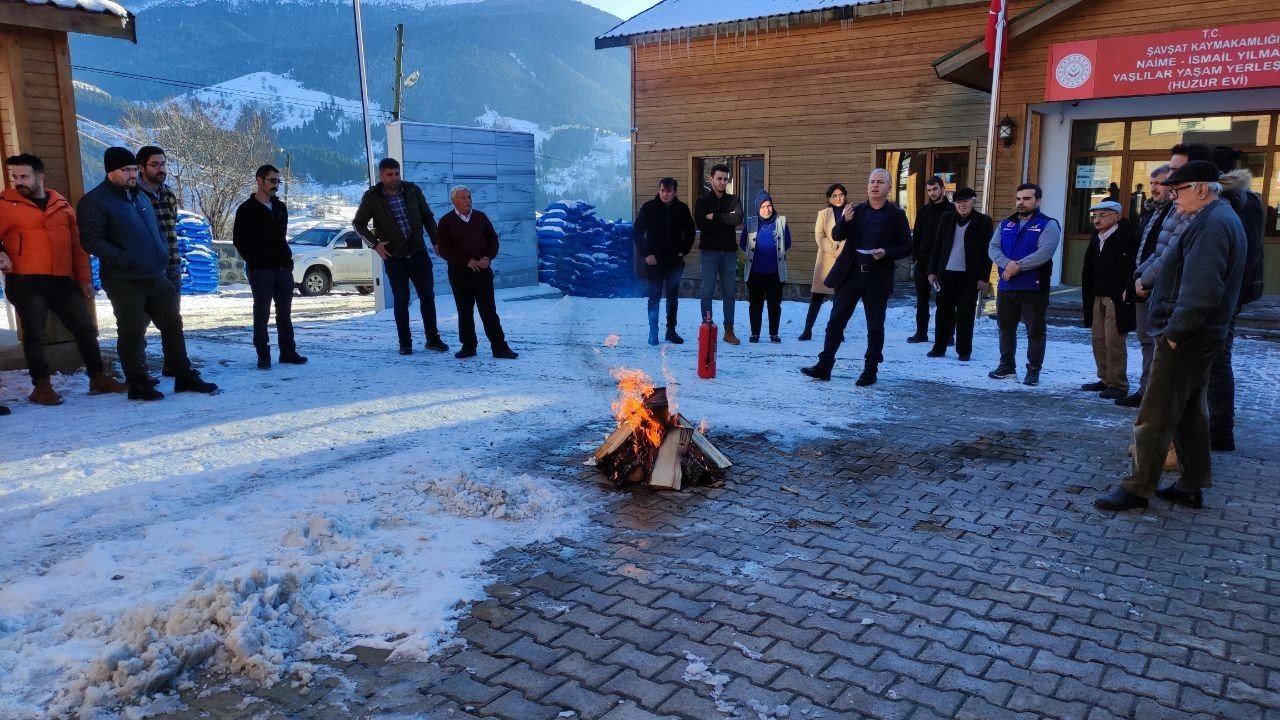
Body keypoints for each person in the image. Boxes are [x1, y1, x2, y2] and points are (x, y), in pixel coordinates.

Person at [1095, 161, 1246, 512]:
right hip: (1198, 335)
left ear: (1202, 189)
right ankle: (1191, 484)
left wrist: (1176, 333)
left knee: (1155, 414)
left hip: (1188, 335)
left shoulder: (1212, 224)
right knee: (1192, 413)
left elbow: (1203, 289)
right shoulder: (1214, 218)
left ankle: (1137, 488)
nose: (1173, 198)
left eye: (1178, 191)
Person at [77, 146, 217, 400]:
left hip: (154, 273)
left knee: (172, 323)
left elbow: (157, 230)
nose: (132, 174)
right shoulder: (94, 201)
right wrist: (126, 260)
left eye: (133, 169)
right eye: (126, 170)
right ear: (111, 171)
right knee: (131, 331)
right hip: (123, 278)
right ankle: (138, 384)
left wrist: (162, 251)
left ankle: (183, 376)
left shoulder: (139, 197)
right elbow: (91, 241)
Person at [0, 153, 127, 405]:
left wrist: (83, 279)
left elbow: (77, 246)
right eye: (14, 177)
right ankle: (42, 387)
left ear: (40, 176)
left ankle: (98, 378)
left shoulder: (61, 204)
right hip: (25, 279)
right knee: (35, 334)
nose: (18, 182)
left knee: (85, 327)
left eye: (24, 176)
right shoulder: (5, 204)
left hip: (60, 279)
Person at [801, 168, 911, 387]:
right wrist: (844, 221)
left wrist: (886, 253)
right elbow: (836, 235)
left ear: (888, 188)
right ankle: (824, 366)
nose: (875, 185)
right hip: (850, 274)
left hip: (877, 276)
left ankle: (870, 370)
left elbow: (907, 246)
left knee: (875, 326)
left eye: (880, 182)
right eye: (872, 181)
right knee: (835, 322)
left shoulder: (896, 215)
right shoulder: (856, 210)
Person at [352, 158, 448, 356]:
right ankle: (405, 343)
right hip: (394, 257)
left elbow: (427, 216)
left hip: (418, 252)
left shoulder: (412, 190)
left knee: (427, 297)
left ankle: (433, 339)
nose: (394, 178)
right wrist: (375, 244)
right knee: (401, 299)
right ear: (382, 176)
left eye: (397, 173)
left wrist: (436, 241)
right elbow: (358, 224)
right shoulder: (372, 197)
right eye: (390, 174)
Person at [1205, 145, 1266, 451]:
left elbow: (1246, 252)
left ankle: (1220, 430)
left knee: (1217, 361)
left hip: (1225, 294)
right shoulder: (1239, 198)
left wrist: (1229, 294)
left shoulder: (1236, 202)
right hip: (1226, 291)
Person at [987, 183, 1061, 387]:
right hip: (1007, 286)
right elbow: (993, 248)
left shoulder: (1048, 225)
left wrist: (1016, 267)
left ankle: (1033, 370)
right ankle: (1006, 366)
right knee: (1005, 328)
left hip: (1033, 287)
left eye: (1026, 198)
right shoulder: (1006, 224)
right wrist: (1007, 265)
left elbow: (1044, 253)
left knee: (1035, 330)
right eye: (1018, 198)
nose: (1021, 202)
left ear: (1038, 201)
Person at [233, 164, 306, 369]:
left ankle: (288, 352)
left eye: (278, 182)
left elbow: (281, 237)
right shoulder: (246, 210)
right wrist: (254, 261)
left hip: (283, 268)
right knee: (262, 312)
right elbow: (239, 240)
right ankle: (263, 354)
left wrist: (286, 260)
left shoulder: (280, 208)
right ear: (259, 181)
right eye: (272, 181)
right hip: (261, 270)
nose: (276, 185)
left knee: (285, 313)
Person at [435, 186, 517, 360]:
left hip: (482, 271)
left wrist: (487, 258)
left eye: (469, 197)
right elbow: (443, 249)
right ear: (454, 201)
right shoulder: (446, 221)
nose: (468, 201)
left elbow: (493, 240)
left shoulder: (481, 217)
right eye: (463, 198)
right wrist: (466, 261)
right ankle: (468, 346)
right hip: (459, 273)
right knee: (464, 310)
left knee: (488, 310)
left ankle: (499, 347)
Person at [1117, 165, 1173, 408]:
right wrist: (1134, 280)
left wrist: (1147, 279)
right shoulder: (1150, 212)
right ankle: (1145, 389)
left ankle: (1151, 393)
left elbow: (1165, 253)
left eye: (1159, 183)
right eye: (1152, 183)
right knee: (1144, 339)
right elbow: (1140, 250)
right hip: (1142, 282)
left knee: (1154, 342)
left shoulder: (1175, 213)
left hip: (1159, 285)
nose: (1153, 188)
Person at [1079, 200, 1138, 400]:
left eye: (1103, 215)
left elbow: (1133, 265)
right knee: (1098, 338)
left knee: (1114, 340)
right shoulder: (1096, 236)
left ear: (1117, 216)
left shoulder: (1129, 236)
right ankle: (1104, 378)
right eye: (1095, 215)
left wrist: (1127, 288)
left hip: (1117, 295)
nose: (1097, 219)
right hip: (1097, 293)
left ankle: (1118, 383)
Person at [135, 145, 186, 377]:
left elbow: (172, 225)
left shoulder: (168, 193)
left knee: (172, 321)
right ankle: (139, 371)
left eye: (163, 164)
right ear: (141, 167)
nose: (161, 169)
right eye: (155, 165)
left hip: (172, 265)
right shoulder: (133, 195)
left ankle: (173, 364)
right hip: (146, 269)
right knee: (139, 321)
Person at [926, 187, 992, 361]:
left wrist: (984, 277)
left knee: (965, 314)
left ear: (973, 201)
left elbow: (987, 252)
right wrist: (932, 270)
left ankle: (964, 351)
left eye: (965, 201)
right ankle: (939, 347)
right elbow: (937, 246)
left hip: (969, 276)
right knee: (943, 313)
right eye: (958, 202)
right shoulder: (946, 219)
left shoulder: (984, 221)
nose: (962, 205)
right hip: (945, 274)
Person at [633, 177, 695, 346]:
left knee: (672, 298)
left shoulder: (682, 209)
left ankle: (671, 331)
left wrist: (683, 250)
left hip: (674, 262)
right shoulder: (649, 208)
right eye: (662, 190)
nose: (665, 194)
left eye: (669, 191)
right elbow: (637, 232)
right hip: (654, 262)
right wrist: (647, 254)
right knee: (654, 296)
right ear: (659, 190)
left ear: (675, 192)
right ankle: (653, 331)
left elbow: (690, 232)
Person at [694, 163, 743, 345]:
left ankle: (728, 330)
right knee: (707, 291)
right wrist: (726, 218)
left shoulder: (734, 199)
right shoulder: (702, 202)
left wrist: (714, 216)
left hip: (729, 253)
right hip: (709, 252)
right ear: (711, 179)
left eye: (725, 179)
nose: (722, 182)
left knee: (729, 294)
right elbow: (701, 224)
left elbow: (737, 218)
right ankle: (707, 327)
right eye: (719, 178)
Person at [739, 189, 791, 343]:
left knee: (774, 306)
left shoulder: (780, 222)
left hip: (775, 273)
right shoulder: (751, 223)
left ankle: (774, 333)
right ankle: (755, 333)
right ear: (757, 208)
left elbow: (787, 243)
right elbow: (743, 243)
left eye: (769, 205)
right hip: (755, 274)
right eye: (763, 207)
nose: (767, 209)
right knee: (755, 306)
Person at [800, 183, 846, 341]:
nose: (838, 198)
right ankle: (807, 330)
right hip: (826, 259)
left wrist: (843, 249)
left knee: (840, 299)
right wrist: (834, 249)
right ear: (829, 198)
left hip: (844, 260)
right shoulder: (824, 214)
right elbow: (819, 236)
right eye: (835, 195)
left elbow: (854, 234)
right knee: (817, 297)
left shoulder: (851, 212)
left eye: (841, 195)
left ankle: (837, 332)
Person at [909, 175, 951, 344]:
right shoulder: (923, 211)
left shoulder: (952, 211)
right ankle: (921, 333)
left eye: (935, 189)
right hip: (924, 261)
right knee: (922, 299)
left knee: (945, 300)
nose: (932, 193)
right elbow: (917, 236)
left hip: (944, 262)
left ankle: (947, 336)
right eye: (929, 190)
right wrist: (916, 258)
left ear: (943, 189)